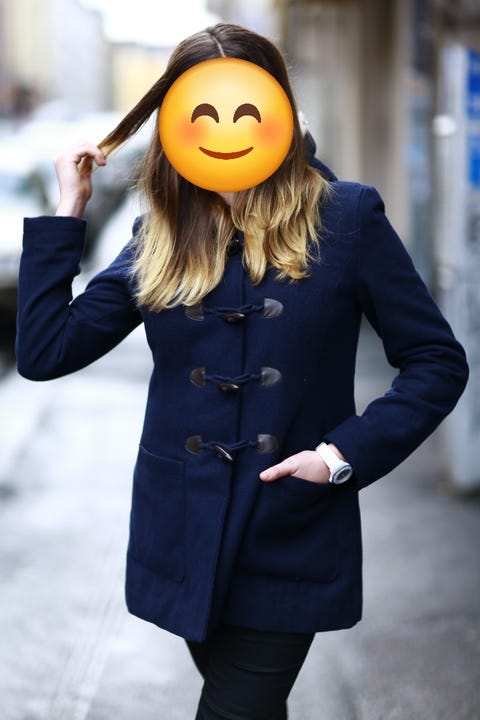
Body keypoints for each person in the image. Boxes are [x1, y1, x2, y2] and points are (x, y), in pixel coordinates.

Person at [16, 22, 468, 720]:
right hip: (184, 533)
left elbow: (436, 361)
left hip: (289, 526)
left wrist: (338, 457)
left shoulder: (345, 218)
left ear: (276, 109)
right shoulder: (159, 234)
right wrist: (67, 209)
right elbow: (46, 350)